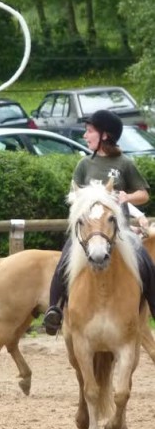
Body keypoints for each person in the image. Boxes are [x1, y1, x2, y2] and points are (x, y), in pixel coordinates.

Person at [42, 109, 155, 335]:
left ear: (105, 135)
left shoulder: (124, 163)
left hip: (119, 232)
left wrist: (127, 197)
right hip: (88, 232)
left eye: (90, 131)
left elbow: (144, 194)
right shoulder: (84, 164)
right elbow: (73, 196)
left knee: (146, 263)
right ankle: (55, 309)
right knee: (63, 261)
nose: (85, 135)